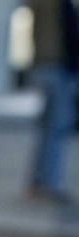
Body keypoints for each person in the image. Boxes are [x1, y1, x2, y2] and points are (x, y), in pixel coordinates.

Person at [26, 0, 79, 203]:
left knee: (48, 129)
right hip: (57, 67)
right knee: (56, 127)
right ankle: (50, 184)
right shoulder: (56, 4)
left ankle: (38, 181)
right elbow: (68, 35)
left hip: (46, 65)